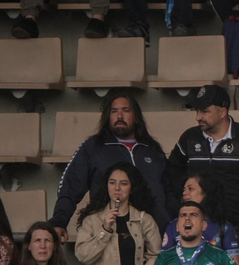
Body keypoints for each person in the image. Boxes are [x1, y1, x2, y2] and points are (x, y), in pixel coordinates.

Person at [166, 83, 239, 254]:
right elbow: (172, 172)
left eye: (205, 111)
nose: (198, 117)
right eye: (197, 111)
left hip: (237, 226)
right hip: (198, 226)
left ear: (223, 112)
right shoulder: (189, 137)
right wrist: (180, 205)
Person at [52, 93, 170, 236]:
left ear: (136, 116)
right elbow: (70, 188)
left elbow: (170, 192)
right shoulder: (93, 147)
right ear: (108, 116)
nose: (119, 116)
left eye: (126, 110)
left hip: (155, 233)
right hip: (110, 235)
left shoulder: (152, 148)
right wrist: (59, 221)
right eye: (114, 111)